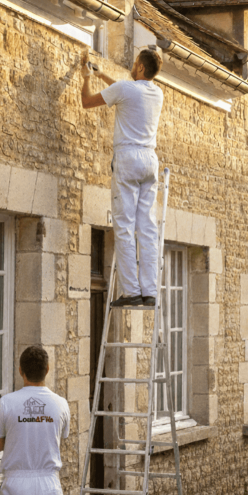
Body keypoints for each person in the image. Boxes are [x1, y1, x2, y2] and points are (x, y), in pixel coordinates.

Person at [81, 49, 165, 307]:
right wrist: (102, 73)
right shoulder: (156, 93)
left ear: (140, 68)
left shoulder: (126, 90)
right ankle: (150, 292)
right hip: (150, 161)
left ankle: (131, 292)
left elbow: (87, 102)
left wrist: (86, 78)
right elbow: (123, 90)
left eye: (135, 62)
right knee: (147, 228)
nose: (132, 65)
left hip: (128, 159)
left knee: (124, 226)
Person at [0, 345, 70, 495]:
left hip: (16, 487)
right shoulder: (61, 404)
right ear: (47, 369)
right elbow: (58, 437)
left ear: (20, 371)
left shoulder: (6, 403)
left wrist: (15, 434)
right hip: (49, 486)